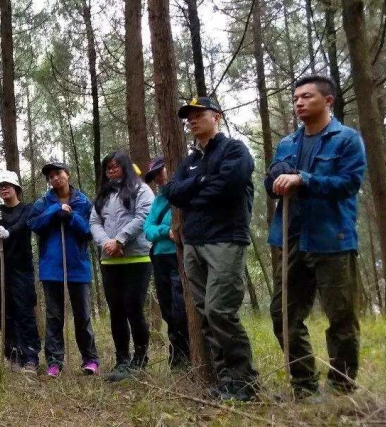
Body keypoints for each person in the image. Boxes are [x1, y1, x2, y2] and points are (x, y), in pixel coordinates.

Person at [265, 75, 366, 401]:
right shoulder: (287, 144)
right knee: (284, 315)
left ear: (328, 101)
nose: (299, 102)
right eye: (296, 98)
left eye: (307, 96)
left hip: (331, 239)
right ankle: (304, 386)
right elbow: (271, 185)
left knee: (341, 318)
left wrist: (303, 179)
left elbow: (348, 184)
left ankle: (340, 387)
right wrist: (276, 178)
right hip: (291, 238)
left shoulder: (347, 140)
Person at [162, 96, 259, 401]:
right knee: (204, 313)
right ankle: (226, 379)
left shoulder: (235, 150)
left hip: (225, 239)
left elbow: (229, 187)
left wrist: (195, 191)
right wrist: (202, 183)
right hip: (193, 243)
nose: (191, 120)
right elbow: (172, 192)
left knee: (220, 310)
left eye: (198, 114)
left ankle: (246, 381)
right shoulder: (190, 161)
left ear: (216, 116)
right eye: (187, 116)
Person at [28, 161, 99, 377]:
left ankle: (90, 359)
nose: (55, 178)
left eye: (58, 173)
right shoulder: (43, 202)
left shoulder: (83, 202)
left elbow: (89, 231)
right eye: (50, 176)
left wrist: (71, 217)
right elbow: (34, 225)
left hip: (78, 267)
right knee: (54, 317)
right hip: (52, 268)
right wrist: (53, 212)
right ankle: (54, 362)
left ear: (67, 174)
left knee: (83, 315)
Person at [90, 152, 154, 382]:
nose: (111, 170)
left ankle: (140, 359)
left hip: (136, 258)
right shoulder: (103, 195)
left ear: (126, 167)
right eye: (108, 167)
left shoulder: (142, 189)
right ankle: (122, 359)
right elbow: (95, 222)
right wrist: (106, 243)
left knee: (133, 308)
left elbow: (144, 215)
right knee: (116, 311)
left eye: (116, 166)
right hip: (110, 260)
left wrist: (120, 240)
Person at [0, 170, 41, 373]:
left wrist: (10, 231)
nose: (3, 189)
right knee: (3, 311)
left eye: (7, 185)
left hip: (22, 269)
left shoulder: (27, 209)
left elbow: (25, 224)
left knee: (24, 311)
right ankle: (12, 354)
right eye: (0, 186)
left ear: (16, 188)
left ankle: (30, 357)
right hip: (0, 269)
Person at [143, 156, 190, 370]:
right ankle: (177, 357)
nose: (159, 178)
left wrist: (175, 232)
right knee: (168, 309)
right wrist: (165, 231)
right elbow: (148, 230)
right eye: (155, 175)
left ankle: (188, 353)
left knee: (181, 307)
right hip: (160, 258)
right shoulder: (158, 201)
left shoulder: (183, 194)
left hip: (180, 257)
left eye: (161, 171)